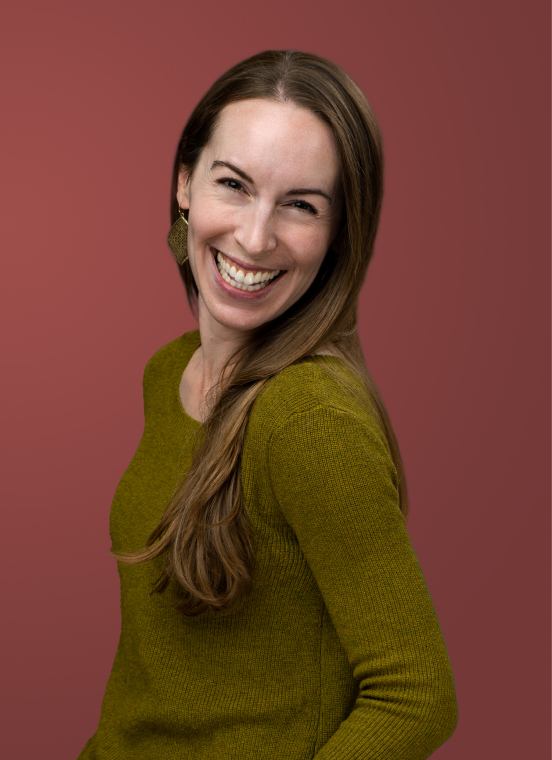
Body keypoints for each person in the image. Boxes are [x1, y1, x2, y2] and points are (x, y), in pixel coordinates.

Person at [78, 50, 458, 759]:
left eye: (301, 205)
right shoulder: (171, 373)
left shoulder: (309, 421)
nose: (255, 237)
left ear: (340, 232)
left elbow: (418, 694)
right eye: (234, 184)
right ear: (184, 183)